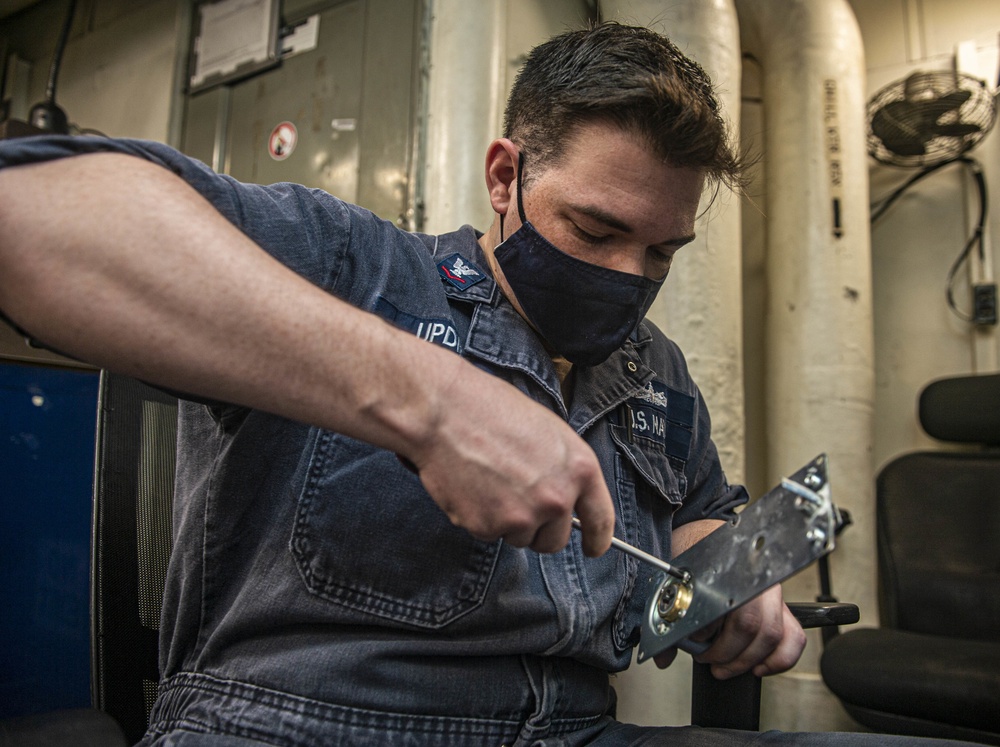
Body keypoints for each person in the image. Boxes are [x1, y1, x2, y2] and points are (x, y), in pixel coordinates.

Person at [0, 22, 977, 747]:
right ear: (505, 175)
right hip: (308, 724)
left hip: (577, 728)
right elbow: (31, 215)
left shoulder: (657, 375)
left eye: (663, 251)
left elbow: (695, 514)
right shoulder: (351, 266)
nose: (631, 277)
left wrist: (730, 586)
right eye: (595, 231)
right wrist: (428, 399)